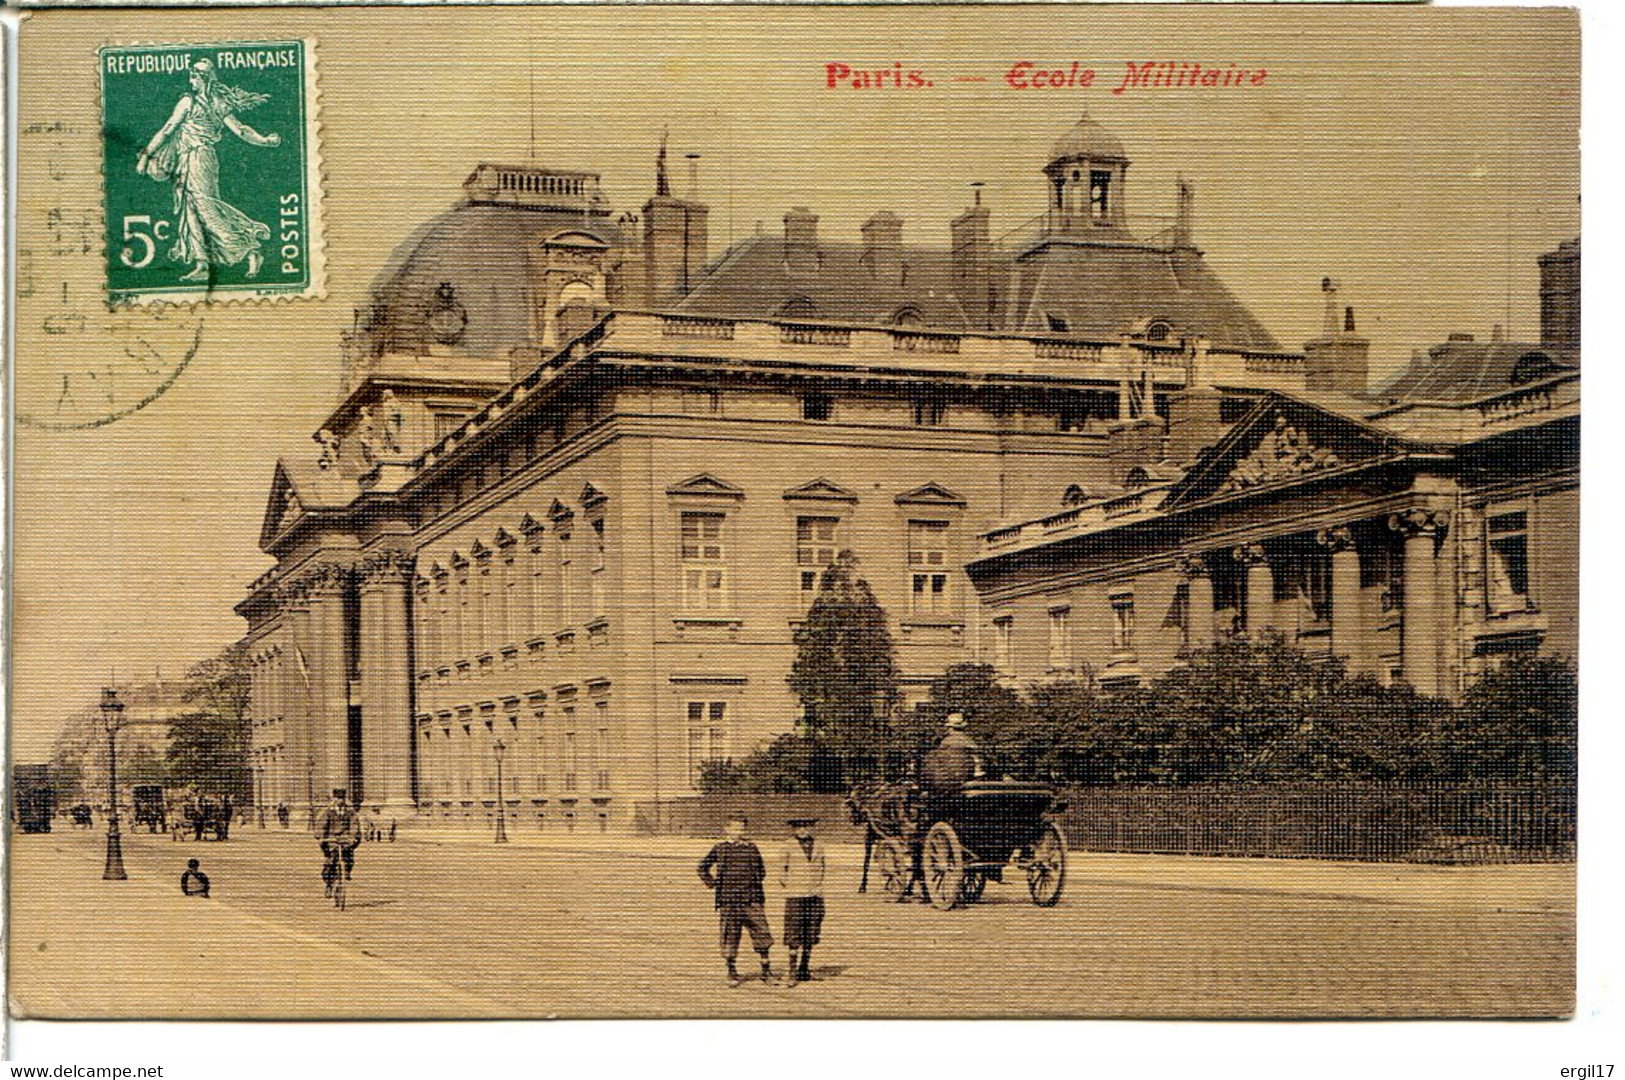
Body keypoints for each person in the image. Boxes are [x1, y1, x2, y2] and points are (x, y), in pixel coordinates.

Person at [135, 58, 280, 283]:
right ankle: (202, 264)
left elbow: (167, 131)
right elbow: (240, 130)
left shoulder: (193, 102)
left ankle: (250, 250)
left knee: (206, 208)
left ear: (203, 79)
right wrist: (265, 141)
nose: (191, 80)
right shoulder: (209, 102)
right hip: (187, 159)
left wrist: (264, 141)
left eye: (194, 76)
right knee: (191, 210)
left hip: (200, 159)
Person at [697, 816, 775, 987]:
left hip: (752, 899)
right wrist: (713, 884)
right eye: (735, 828)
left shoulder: (752, 848)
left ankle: (766, 970)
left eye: (741, 828)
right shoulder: (720, 848)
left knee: (762, 933)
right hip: (729, 901)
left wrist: (751, 885)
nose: (738, 832)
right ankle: (731, 971)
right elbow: (702, 867)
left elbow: (761, 871)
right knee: (730, 935)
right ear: (727, 829)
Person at [778, 818, 827, 985]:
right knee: (794, 932)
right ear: (794, 829)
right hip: (796, 895)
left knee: (811, 930)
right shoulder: (788, 845)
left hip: (815, 895)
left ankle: (804, 968)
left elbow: (822, 867)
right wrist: (794, 885)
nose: (803, 830)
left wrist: (816, 886)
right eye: (799, 827)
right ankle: (792, 971)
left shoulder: (819, 845)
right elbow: (782, 871)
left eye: (806, 826)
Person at [316, 788, 361, 896]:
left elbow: (354, 824)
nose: (340, 801)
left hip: (345, 839)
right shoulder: (328, 812)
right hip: (331, 840)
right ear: (334, 799)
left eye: (342, 798)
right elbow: (322, 825)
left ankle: (347, 872)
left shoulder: (350, 812)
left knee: (349, 857)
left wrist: (353, 836)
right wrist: (320, 837)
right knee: (329, 863)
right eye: (338, 798)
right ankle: (329, 884)